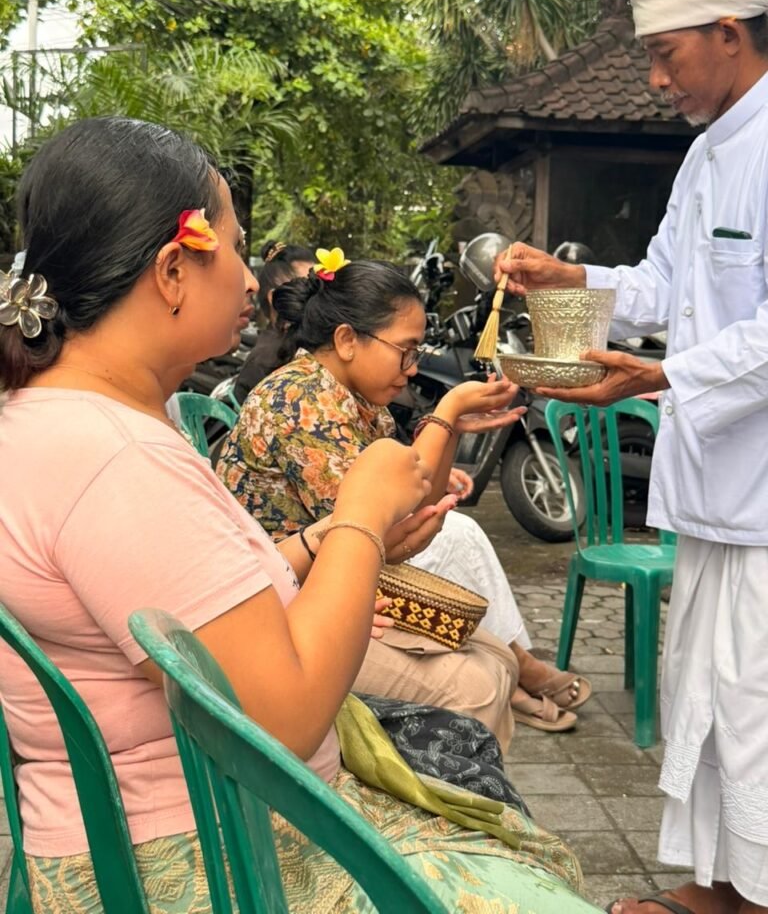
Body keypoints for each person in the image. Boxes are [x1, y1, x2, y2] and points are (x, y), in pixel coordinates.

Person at [0, 116, 600, 914]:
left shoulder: (56, 421)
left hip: (175, 821)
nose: (252, 280)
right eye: (238, 250)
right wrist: (358, 515)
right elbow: (277, 722)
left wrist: (325, 539)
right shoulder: (112, 458)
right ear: (173, 270)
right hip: (210, 851)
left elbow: (182, 610)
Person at [497, 0, 768, 914]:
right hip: (712, 497)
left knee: (759, 714)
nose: (656, 78)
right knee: (709, 702)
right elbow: (659, 285)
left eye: (668, 54)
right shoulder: (704, 158)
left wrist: (659, 375)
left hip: (766, 501)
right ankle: (719, 888)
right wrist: (569, 278)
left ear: (730, 32)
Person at [216, 258, 593, 737]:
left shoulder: (358, 400)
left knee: (500, 657)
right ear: (348, 340)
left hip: (333, 589)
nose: (412, 370)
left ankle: (471, 797)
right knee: (479, 685)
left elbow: (418, 507)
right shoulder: (301, 399)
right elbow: (389, 525)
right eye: (406, 351)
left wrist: (449, 428)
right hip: (285, 613)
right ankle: (443, 802)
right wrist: (448, 409)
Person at [233, 240, 315, 403]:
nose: (319, 294)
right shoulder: (266, 360)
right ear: (275, 298)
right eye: (307, 286)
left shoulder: (310, 345)